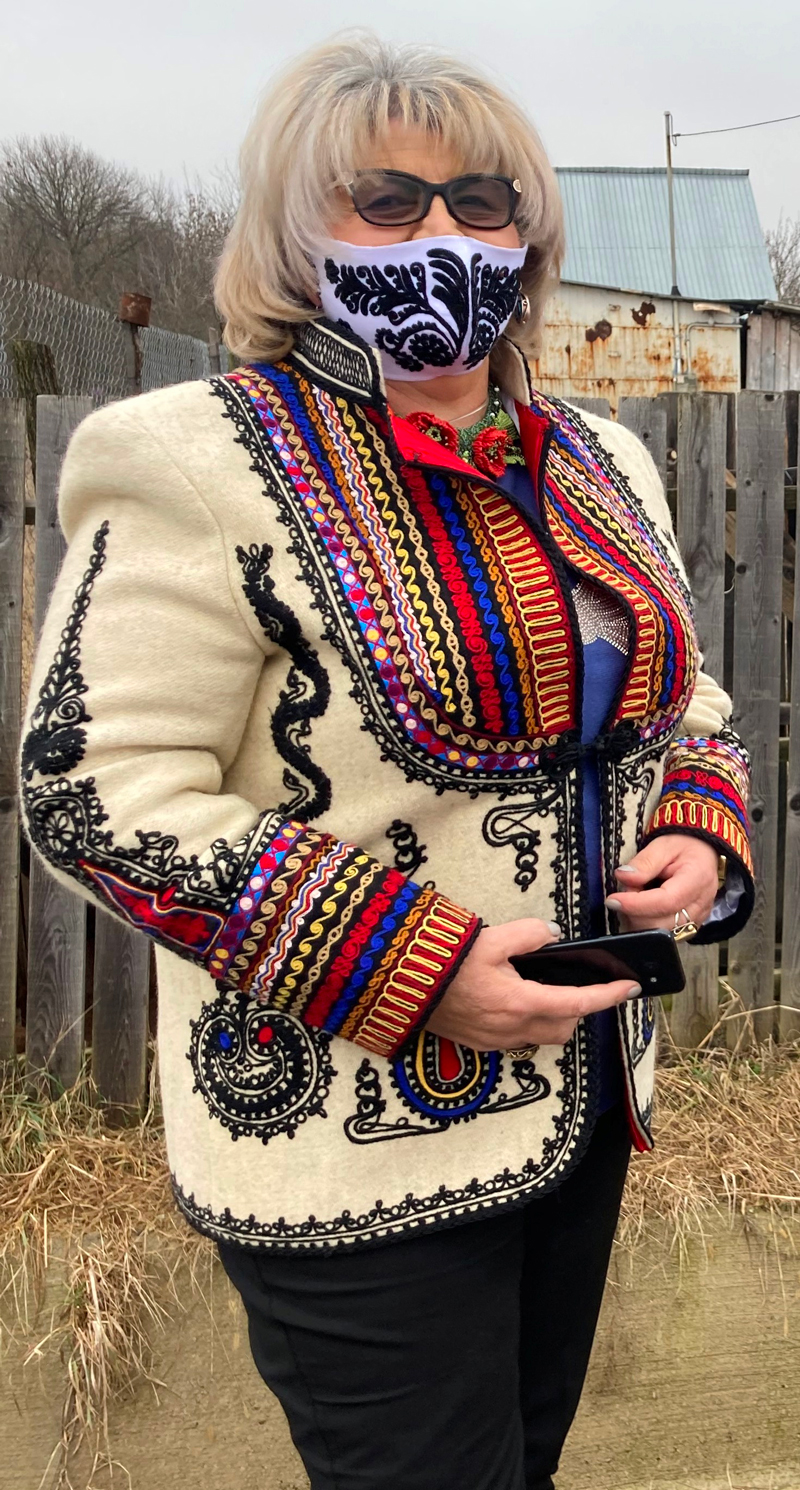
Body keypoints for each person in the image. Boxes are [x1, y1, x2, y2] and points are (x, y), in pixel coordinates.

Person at [20, 34, 754, 1490]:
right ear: (295, 233)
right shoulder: (191, 457)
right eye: (387, 199)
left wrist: (699, 820)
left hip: (587, 1099)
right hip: (350, 1134)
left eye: (481, 202)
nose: (443, 235)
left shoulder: (601, 458)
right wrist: (411, 966)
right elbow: (93, 788)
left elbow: (688, 700)